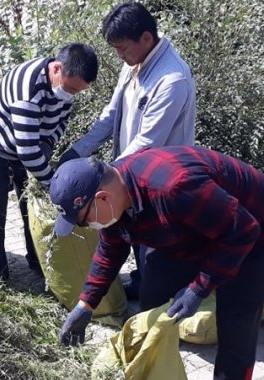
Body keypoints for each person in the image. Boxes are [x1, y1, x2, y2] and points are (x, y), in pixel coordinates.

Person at [50, 146, 264, 380]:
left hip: (254, 232)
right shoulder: (118, 196)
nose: (85, 228)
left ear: (102, 199)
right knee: (152, 301)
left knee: (236, 323)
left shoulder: (174, 187)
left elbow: (243, 230)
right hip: (193, 228)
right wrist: (85, 304)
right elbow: (111, 249)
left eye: (83, 221)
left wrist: (199, 287)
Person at [59, 1, 196, 298]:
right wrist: (78, 152)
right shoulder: (132, 65)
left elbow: (147, 143)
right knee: (134, 237)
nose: (119, 55)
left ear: (146, 38)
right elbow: (111, 115)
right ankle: (142, 281)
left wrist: (102, 177)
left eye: (123, 48)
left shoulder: (172, 81)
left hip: (161, 181)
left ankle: (160, 302)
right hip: (130, 175)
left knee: (156, 247)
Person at [0, 43, 99, 280]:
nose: (72, 94)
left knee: (29, 211)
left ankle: (37, 262)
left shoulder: (68, 85)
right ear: (57, 68)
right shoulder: (28, 92)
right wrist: (53, 185)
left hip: (27, 148)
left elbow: (61, 122)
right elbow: (28, 152)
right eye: (71, 88)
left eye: (78, 91)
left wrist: (48, 144)